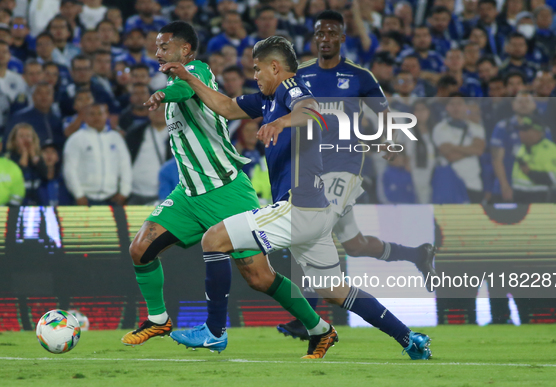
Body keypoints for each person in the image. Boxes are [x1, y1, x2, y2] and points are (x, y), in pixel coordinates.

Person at [160, 34, 432, 360]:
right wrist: (189, 78)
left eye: (258, 69)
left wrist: (281, 123)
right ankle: (409, 338)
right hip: (313, 214)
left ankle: (214, 331)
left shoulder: (291, 88)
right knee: (334, 290)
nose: (255, 76)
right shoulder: (266, 101)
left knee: (213, 239)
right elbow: (225, 106)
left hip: (298, 206)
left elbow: (312, 112)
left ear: (275, 67)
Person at [124, 22, 335, 360]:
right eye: (157, 46)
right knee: (140, 249)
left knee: (259, 277)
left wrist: (167, 92)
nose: (158, 52)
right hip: (188, 194)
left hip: (226, 191)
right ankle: (158, 319)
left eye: (165, 46)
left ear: (186, 51)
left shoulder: (198, 72)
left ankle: (320, 329)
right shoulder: (178, 79)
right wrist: (168, 88)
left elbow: (185, 91)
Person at [278, 10, 436, 340]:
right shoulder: (300, 75)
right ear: (314, 38)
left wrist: (390, 140)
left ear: (342, 39)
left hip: (344, 167)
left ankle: (305, 314)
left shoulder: (359, 76)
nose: (325, 39)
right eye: (320, 33)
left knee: (313, 228)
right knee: (355, 244)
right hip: (310, 169)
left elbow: (384, 113)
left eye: (332, 33)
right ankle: (417, 253)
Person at [62, 103, 131, 206]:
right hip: (85, 199)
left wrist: (124, 192)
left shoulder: (116, 138)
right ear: (85, 116)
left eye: (100, 113)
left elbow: (125, 166)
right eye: (92, 114)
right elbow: (70, 169)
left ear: (106, 115)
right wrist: (79, 195)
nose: (96, 117)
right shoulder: (76, 139)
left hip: (112, 198)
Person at [432, 93, 486, 203]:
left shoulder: (476, 128)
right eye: (452, 104)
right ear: (447, 108)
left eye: (459, 104)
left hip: (473, 183)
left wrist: (453, 147)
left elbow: (479, 150)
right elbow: (450, 156)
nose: (456, 108)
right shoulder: (440, 128)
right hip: (449, 182)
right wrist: (471, 149)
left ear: (465, 107)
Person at [512, 116, 556, 202]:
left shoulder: (551, 150)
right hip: (518, 196)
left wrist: (530, 173)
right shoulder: (521, 148)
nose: (521, 133)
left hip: (540, 197)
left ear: (537, 132)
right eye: (520, 130)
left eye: (525, 130)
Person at [126, 105, 171, 205]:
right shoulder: (135, 132)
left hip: (163, 194)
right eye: (155, 109)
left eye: (162, 109)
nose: (158, 113)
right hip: (134, 192)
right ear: (148, 112)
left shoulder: (178, 134)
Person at [5, 82, 64, 150]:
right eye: (39, 93)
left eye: (48, 93)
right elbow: (8, 143)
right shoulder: (19, 117)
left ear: (53, 98)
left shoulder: (57, 119)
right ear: (33, 97)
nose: (44, 96)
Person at [4, 123, 48, 205]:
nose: (25, 139)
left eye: (28, 136)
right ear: (14, 140)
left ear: (33, 139)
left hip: (37, 200)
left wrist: (33, 155)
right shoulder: (9, 158)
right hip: (17, 202)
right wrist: (24, 155)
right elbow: (17, 177)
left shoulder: (38, 157)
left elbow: (45, 176)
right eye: (21, 136)